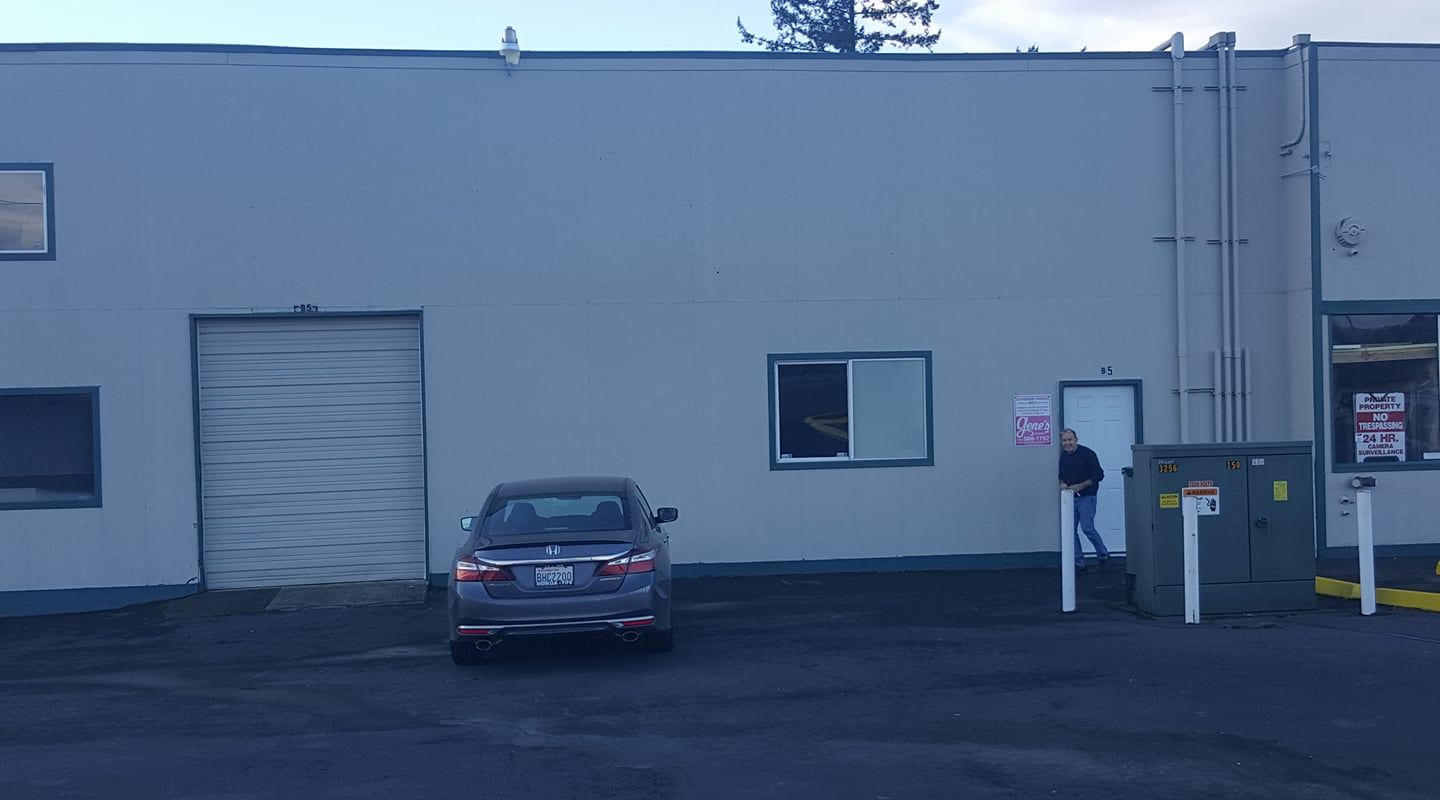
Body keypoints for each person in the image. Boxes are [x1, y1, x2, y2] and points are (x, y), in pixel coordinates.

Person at [1058, 427, 1109, 573]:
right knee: (1070, 532)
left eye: (1070, 440)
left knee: (1087, 528)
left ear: (1076, 440)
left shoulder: (1088, 454)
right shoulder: (1063, 457)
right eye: (1065, 440)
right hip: (1070, 499)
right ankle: (1079, 563)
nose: (1068, 443)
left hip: (1087, 497)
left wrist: (1079, 487)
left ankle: (1103, 555)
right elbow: (1061, 475)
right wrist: (1062, 484)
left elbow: (1098, 476)